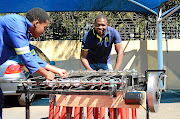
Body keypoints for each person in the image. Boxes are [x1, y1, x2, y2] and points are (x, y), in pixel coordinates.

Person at [0, 8, 68, 119]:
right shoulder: (16, 22)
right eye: (44, 28)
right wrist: (46, 74)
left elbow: (33, 56)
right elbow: (26, 58)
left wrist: (57, 70)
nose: (43, 32)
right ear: (36, 23)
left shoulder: (24, 33)